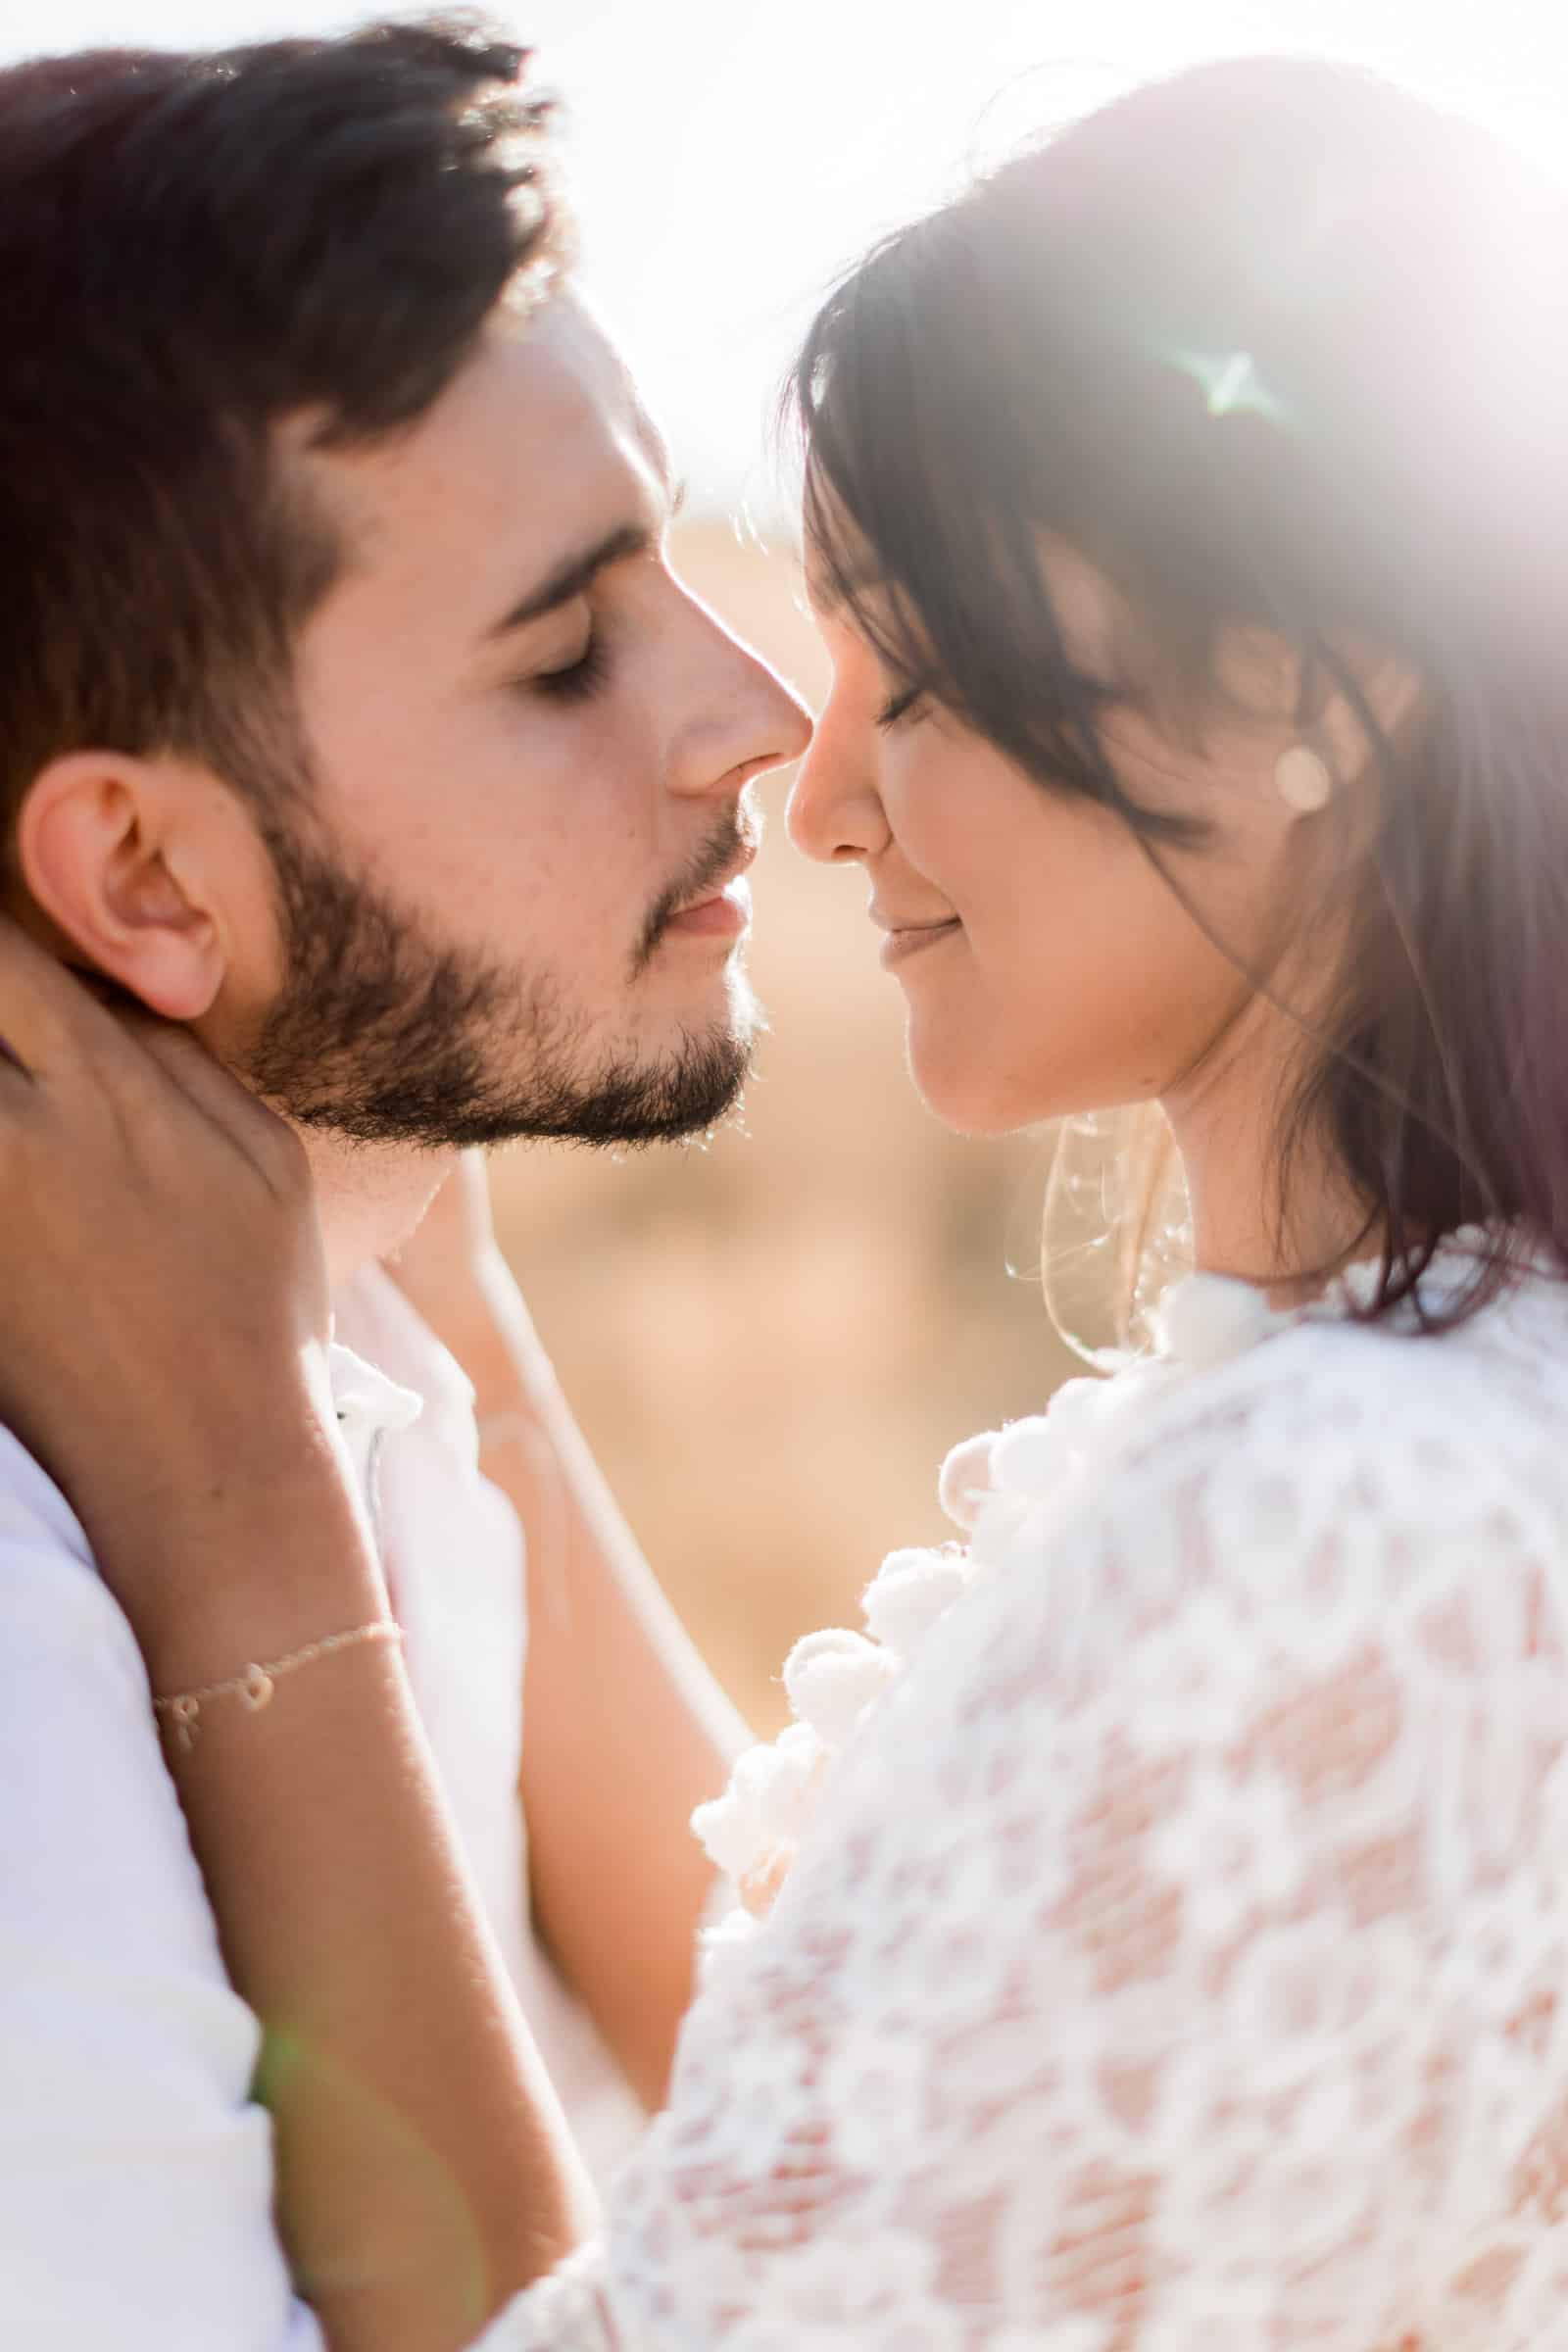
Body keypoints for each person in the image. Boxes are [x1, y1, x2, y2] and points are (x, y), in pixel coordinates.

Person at [9, 35, 1568, 2352]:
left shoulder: (1348, 1510)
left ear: (1304, 688)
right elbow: (795, 2106)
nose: (800, 777)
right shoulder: (1384, 1402)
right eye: (560, 654)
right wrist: (449, 1328)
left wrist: (243, 1519)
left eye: (913, 673)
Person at [0, 19, 812, 2346]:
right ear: (145, 872)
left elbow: (801, 2133)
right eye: (564, 651)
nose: (750, 710)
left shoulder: (371, 1365)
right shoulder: (37, 1678)